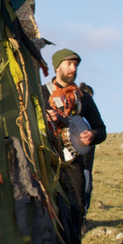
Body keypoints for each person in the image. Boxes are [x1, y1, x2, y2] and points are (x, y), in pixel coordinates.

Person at [42, 48, 107, 216]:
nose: (73, 69)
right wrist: (44, 119)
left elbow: (101, 129)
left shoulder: (83, 98)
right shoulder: (41, 93)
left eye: (76, 65)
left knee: (76, 210)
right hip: (46, 160)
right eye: (69, 64)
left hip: (74, 164)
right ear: (57, 67)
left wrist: (93, 136)